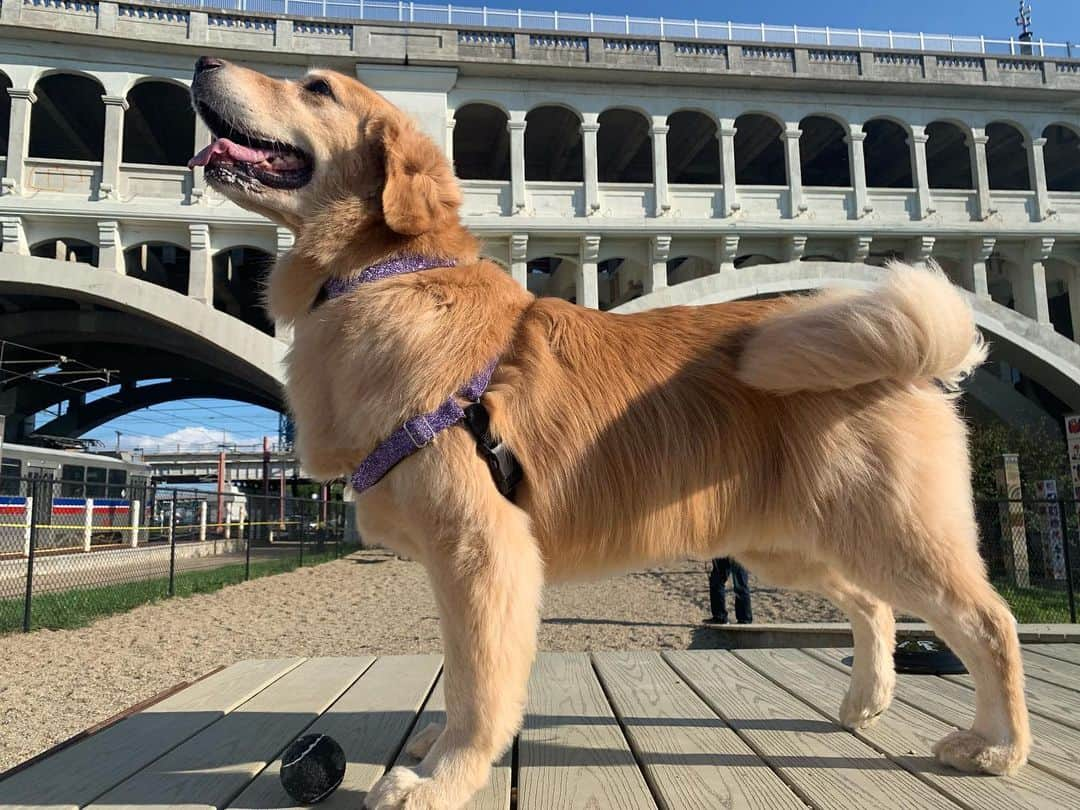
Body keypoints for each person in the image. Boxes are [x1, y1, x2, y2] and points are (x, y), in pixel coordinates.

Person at [709, 557, 752, 624]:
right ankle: (719, 617)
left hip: (738, 550)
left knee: (740, 584)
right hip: (722, 549)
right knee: (716, 581)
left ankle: (744, 619)